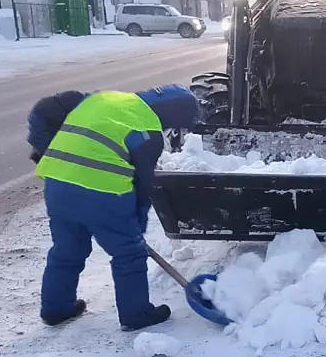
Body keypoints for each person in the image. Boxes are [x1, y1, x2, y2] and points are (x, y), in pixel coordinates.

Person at [26, 85, 198, 331]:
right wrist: (137, 226)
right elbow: (143, 184)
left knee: (67, 249)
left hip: (57, 183)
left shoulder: (104, 99)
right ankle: (136, 314)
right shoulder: (147, 126)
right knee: (129, 253)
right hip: (100, 189)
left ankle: (56, 308)